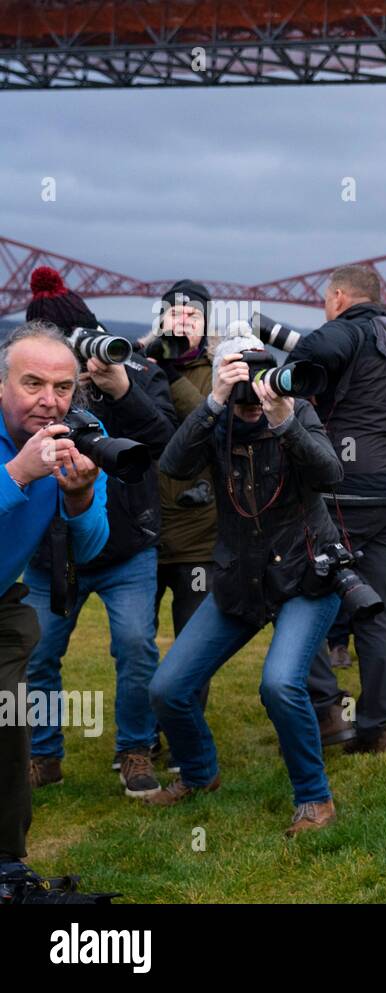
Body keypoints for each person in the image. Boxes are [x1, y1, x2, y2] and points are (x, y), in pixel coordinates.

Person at [146, 337, 344, 836]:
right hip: (240, 578)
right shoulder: (216, 421)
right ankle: (198, 775)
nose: (252, 391)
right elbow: (171, 467)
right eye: (239, 376)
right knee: (168, 688)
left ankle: (315, 800)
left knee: (279, 684)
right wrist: (212, 401)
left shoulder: (295, 410)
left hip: (305, 574)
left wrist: (285, 421)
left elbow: (330, 473)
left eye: (259, 374)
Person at [21, 268, 178, 797]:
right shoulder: (28, 394)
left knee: (135, 647)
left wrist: (123, 388)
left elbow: (167, 444)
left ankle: (135, 749)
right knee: (38, 653)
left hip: (126, 546)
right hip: (50, 553)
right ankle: (43, 754)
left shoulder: (132, 371)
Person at [292, 266, 386, 753]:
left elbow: (306, 356)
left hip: (346, 491)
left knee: (297, 594)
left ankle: (326, 709)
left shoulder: (347, 329)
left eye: (326, 302)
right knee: (375, 608)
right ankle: (377, 727)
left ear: (340, 298)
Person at [0, 322, 108, 883]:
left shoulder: (78, 435)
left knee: (7, 722)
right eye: (33, 383)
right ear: (1, 386)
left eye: (63, 387)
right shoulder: (24, 451)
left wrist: (79, 492)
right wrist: (19, 472)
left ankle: (6, 863)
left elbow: (90, 547)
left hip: (2, 605)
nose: (49, 401)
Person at [147, 280, 217, 642]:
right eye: (175, 312)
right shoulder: (137, 367)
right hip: (146, 533)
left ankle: (187, 703)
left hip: (199, 539)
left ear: (206, 325)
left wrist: (170, 375)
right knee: (136, 641)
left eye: (194, 315)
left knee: (192, 645)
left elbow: (210, 426)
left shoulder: (223, 371)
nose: (184, 321)